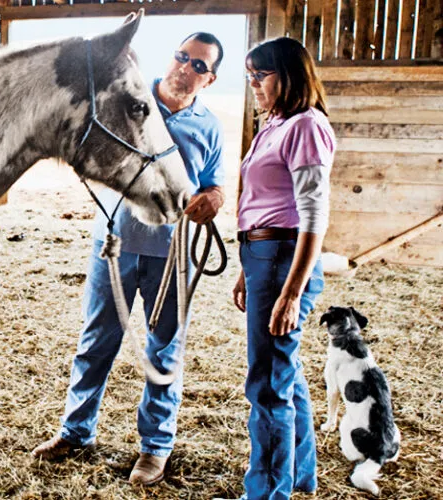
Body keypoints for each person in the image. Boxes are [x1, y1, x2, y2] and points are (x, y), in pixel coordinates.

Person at [31, 32, 226, 486]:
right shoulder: (131, 99)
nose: (184, 68)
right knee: (96, 342)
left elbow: (213, 182)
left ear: (210, 78)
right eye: (181, 57)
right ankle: (75, 432)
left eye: (198, 65)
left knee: (165, 351)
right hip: (114, 244)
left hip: (172, 254)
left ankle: (155, 447)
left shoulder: (209, 126)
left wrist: (214, 196)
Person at [224, 37, 335, 500]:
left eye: (261, 75)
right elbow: (264, 203)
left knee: (268, 384)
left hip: (284, 259)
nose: (254, 85)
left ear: (289, 75)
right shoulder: (275, 123)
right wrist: (246, 266)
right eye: (249, 76)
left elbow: (313, 215)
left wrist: (291, 292)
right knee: (284, 373)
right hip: (263, 256)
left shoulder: (306, 126)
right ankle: (298, 478)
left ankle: (268, 493)